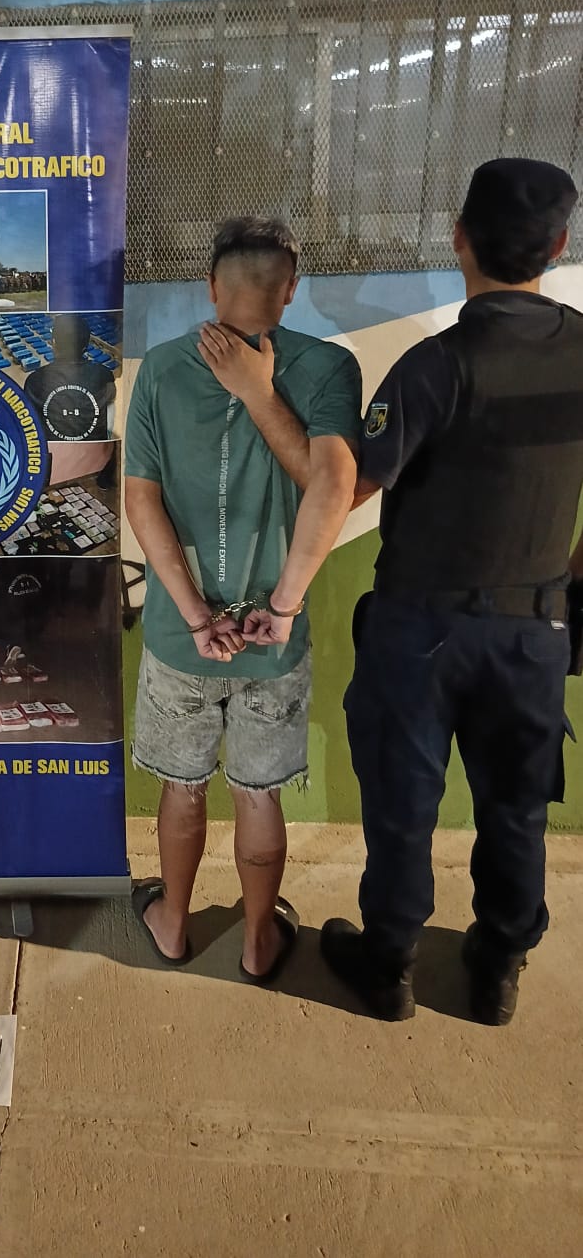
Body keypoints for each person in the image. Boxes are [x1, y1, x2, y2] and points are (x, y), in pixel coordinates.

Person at [321, 158, 583, 1026]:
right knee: (515, 807)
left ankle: (388, 963)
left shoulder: (435, 366)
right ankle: (497, 966)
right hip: (533, 629)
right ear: (558, 244)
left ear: (457, 237)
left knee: (403, 807)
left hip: (418, 631)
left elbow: (350, 488)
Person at [125, 216, 360, 979]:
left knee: (181, 786)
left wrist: (196, 615)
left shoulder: (161, 369)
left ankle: (171, 925)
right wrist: (281, 608)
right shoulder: (327, 368)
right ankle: (259, 942)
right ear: (290, 289)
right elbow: (332, 489)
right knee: (259, 797)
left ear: (210, 286)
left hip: (179, 634)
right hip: (270, 639)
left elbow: (140, 501)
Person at [24, 313, 117, 441]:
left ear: (54, 342)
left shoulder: (34, 381)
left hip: (51, 452)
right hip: (95, 452)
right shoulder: (104, 375)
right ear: (86, 346)